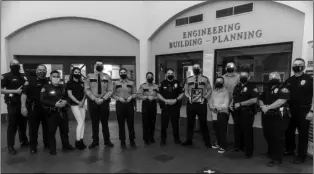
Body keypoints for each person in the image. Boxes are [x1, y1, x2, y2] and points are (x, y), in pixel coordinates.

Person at [284, 58, 313, 164]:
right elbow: (284, 95)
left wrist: (312, 111)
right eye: (295, 64)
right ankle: (290, 150)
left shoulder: (309, 80)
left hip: (304, 110)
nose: (297, 66)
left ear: (304, 67)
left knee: (303, 134)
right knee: (289, 131)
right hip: (291, 111)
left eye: (299, 64)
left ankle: (301, 155)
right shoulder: (289, 81)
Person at [259, 72, 290, 167]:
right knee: (268, 135)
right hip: (267, 116)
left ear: (280, 78)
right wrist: (263, 106)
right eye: (271, 77)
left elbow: (282, 100)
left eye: (275, 76)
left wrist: (268, 107)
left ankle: (277, 158)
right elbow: (260, 98)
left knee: (277, 137)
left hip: (278, 117)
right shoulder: (267, 88)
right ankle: (271, 153)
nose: (273, 78)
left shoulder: (283, 88)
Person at [40, 70, 74, 155]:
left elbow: (68, 98)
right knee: (51, 132)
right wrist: (54, 104)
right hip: (52, 113)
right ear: (50, 78)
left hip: (63, 112)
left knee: (65, 131)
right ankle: (52, 148)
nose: (56, 78)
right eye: (54, 76)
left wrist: (65, 102)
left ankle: (66, 145)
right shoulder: (46, 87)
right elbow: (43, 99)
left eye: (57, 76)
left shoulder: (63, 87)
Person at [1, 59, 29, 155]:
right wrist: (14, 91)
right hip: (12, 104)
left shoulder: (23, 76)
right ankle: (10, 146)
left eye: (17, 64)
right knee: (12, 125)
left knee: (23, 124)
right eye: (14, 64)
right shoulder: (5, 76)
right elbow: (1, 90)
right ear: (10, 65)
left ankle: (23, 141)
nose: (16, 65)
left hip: (23, 104)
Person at [230, 65, 259, 158]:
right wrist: (231, 104)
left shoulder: (252, 87)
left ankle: (248, 151)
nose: (242, 77)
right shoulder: (237, 86)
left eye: (244, 75)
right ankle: (238, 146)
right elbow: (234, 97)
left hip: (247, 112)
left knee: (247, 131)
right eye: (241, 75)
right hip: (237, 112)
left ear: (249, 77)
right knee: (237, 130)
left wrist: (241, 104)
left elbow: (254, 100)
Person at [85, 60, 114, 149]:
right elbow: (87, 89)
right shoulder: (89, 76)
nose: (99, 66)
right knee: (94, 122)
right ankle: (95, 141)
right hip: (93, 102)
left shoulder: (107, 77)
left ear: (103, 66)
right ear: (94, 66)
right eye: (97, 64)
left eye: (101, 65)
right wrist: (94, 98)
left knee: (105, 122)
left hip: (104, 102)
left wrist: (103, 99)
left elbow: (110, 90)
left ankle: (107, 140)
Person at [21, 64, 50, 154]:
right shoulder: (30, 81)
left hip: (46, 108)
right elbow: (24, 94)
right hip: (34, 108)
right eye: (40, 70)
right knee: (33, 129)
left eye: (44, 70)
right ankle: (33, 146)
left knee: (47, 127)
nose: (42, 72)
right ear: (36, 71)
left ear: (46, 71)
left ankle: (47, 143)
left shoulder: (48, 81)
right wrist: (23, 106)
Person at [182, 64, 212, 148]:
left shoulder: (205, 79)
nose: (196, 69)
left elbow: (209, 90)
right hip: (191, 104)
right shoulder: (188, 79)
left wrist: (205, 98)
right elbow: (186, 90)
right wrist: (188, 97)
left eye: (197, 68)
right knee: (190, 123)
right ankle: (189, 140)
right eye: (194, 68)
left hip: (201, 104)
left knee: (203, 123)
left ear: (201, 69)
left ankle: (207, 141)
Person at [157, 68, 184, 146]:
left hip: (175, 107)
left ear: (174, 74)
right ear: (166, 75)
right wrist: (165, 100)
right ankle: (163, 140)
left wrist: (176, 99)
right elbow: (158, 94)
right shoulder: (162, 83)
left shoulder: (177, 83)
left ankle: (177, 139)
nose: (170, 75)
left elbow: (182, 93)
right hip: (165, 107)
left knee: (175, 124)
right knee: (164, 125)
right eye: (168, 73)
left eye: (171, 73)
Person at [112, 68, 137, 148]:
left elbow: (135, 93)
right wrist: (119, 98)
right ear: (119, 74)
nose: (123, 73)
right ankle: (122, 141)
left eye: (124, 72)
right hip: (120, 104)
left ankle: (132, 140)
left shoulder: (131, 83)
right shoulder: (115, 83)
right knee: (121, 124)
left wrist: (131, 97)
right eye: (121, 72)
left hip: (129, 104)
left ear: (127, 73)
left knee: (131, 124)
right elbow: (112, 94)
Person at [67, 67, 87, 150]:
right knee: (80, 122)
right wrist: (78, 102)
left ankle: (81, 140)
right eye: (76, 72)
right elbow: (70, 95)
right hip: (75, 105)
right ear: (72, 73)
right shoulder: (69, 83)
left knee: (83, 123)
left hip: (82, 104)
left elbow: (85, 93)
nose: (78, 73)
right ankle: (77, 141)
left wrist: (82, 101)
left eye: (79, 72)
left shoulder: (82, 82)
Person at [209, 77, 230, 153]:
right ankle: (218, 143)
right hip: (214, 113)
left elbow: (226, 103)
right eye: (217, 81)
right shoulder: (213, 91)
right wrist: (212, 107)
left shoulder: (226, 91)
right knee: (216, 129)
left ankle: (223, 146)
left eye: (220, 81)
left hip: (222, 113)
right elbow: (210, 101)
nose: (219, 82)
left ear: (223, 82)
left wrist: (218, 108)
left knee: (221, 130)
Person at [222, 62, 240, 149]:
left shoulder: (238, 77)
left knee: (237, 124)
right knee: (223, 124)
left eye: (232, 66)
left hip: (234, 104)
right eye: (228, 66)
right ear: (226, 68)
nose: (230, 68)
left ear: (234, 68)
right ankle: (223, 142)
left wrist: (234, 101)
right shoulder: (222, 77)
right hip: (224, 104)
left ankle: (238, 144)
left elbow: (240, 90)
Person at [137, 72, 159, 145]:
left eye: (151, 76)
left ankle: (151, 137)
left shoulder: (156, 86)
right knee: (146, 122)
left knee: (152, 122)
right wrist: (146, 97)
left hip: (153, 105)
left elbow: (159, 96)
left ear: (153, 77)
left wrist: (154, 98)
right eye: (148, 76)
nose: (150, 78)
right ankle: (146, 138)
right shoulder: (142, 86)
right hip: (145, 105)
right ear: (146, 77)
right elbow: (138, 96)